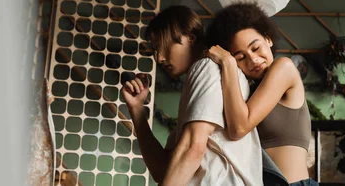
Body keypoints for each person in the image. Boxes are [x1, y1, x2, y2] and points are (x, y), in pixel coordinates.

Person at [122, 5, 263, 186]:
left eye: (163, 46)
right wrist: (137, 109)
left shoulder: (208, 67)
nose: (159, 58)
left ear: (189, 37)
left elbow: (192, 149)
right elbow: (164, 171)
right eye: (156, 50)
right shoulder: (198, 78)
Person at [207, 3, 318, 186]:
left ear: (268, 40)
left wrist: (228, 62)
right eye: (240, 57)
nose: (253, 59)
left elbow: (239, 128)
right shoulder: (246, 91)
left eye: (255, 48)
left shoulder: (284, 67)